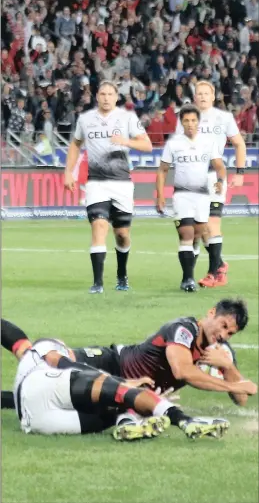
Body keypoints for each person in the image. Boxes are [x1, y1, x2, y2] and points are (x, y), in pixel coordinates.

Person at [2, 299, 257, 413]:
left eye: (230, 333)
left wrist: (229, 367)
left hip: (126, 392)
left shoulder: (220, 352)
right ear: (211, 313)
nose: (224, 335)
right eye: (223, 325)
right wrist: (228, 383)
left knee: (49, 398)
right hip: (111, 362)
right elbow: (183, 372)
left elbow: (241, 399)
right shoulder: (184, 329)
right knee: (39, 358)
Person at [9, 329, 230, 440]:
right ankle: (185, 421)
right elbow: (66, 363)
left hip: (33, 422)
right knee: (119, 391)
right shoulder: (45, 347)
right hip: (40, 387)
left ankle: (127, 423)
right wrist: (125, 382)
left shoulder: (27, 363)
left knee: (108, 411)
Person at [64, 80, 152, 294]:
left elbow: (147, 145)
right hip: (96, 183)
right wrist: (69, 172)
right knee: (99, 227)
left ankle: (122, 274)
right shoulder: (85, 119)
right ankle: (98, 283)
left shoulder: (127, 118)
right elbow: (76, 144)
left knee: (122, 234)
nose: (105, 97)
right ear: (97, 97)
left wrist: (126, 142)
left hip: (121, 183)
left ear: (116, 97)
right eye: (102, 94)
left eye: (110, 94)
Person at [175, 81, 247, 288]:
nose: (203, 97)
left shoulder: (223, 117)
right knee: (196, 228)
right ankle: (219, 264)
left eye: (207, 93)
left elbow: (239, 144)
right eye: (199, 93)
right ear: (194, 96)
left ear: (213, 96)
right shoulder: (185, 118)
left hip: (214, 176)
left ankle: (213, 272)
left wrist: (240, 172)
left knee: (212, 223)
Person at [156, 104, 226, 292]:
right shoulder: (173, 143)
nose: (190, 124)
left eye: (193, 120)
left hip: (203, 196)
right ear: (181, 122)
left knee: (197, 236)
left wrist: (220, 180)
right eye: (186, 120)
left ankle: (199, 274)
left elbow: (219, 166)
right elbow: (162, 170)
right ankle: (187, 279)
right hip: (182, 195)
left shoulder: (208, 142)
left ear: (198, 122)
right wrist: (160, 195)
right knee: (186, 234)